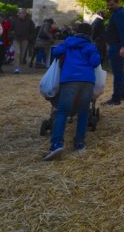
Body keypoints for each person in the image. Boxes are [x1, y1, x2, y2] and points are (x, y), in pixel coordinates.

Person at [44, 22, 101, 160]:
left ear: (76, 32)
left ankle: (57, 144)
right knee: (83, 112)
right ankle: (79, 143)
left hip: (69, 80)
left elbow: (56, 52)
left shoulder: (68, 43)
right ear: (89, 34)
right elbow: (95, 62)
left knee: (62, 112)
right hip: (87, 81)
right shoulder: (90, 46)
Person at [103, 0, 124, 106]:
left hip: (117, 46)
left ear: (118, 2)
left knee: (117, 72)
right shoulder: (118, 13)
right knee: (120, 70)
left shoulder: (120, 14)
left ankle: (116, 98)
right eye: (108, 5)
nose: (110, 7)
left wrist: (123, 46)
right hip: (116, 45)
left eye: (112, 5)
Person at [9, 8, 35, 74]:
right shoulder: (14, 20)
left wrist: (30, 37)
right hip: (16, 39)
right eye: (19, 13)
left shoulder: (29, 21)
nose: (19, 14)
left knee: (22, 55)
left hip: (25, 39)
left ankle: (19, 65)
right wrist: (12, 35)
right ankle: (16, 68)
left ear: (25, 14)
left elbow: (33, 30)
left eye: (21, 13)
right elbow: (10, 29)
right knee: (17, 52)